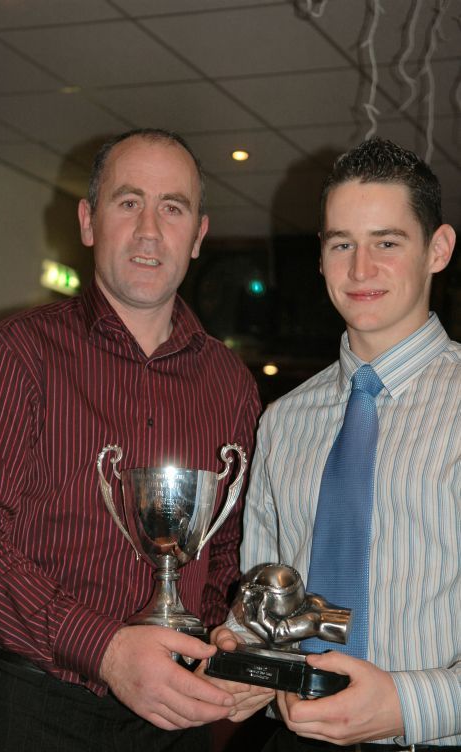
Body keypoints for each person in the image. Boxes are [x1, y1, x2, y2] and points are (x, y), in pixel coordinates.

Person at [0, 128, 270, 751]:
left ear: (199, 235)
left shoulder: (232, 384)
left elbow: (225, 558)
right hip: (26, 707)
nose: (150, 230)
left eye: (172, 208)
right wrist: (105, 649)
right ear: (88, 221)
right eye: (129, 202)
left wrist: (229, 647)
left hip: (171, 721)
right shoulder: (17, 354)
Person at [214, 137, 460, 750]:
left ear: (438, 249)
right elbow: (264, 594)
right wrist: (244, 653)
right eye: (341, 244)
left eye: (387, 243)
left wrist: (408, 704)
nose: (360, 269)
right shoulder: (283, 421)